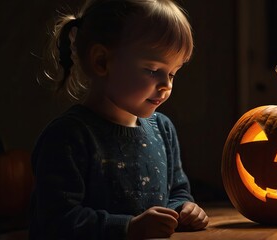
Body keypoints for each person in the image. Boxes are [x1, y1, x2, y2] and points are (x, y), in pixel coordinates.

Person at [29, 0, 209, 239]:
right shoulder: (68, 137)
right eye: (153, 70)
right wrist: (128, 227)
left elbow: (177, 191)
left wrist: (184, 209)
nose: (167, 85)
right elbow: (56, 221)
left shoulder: (163, 129)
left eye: (173, 73)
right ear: (102, 62)